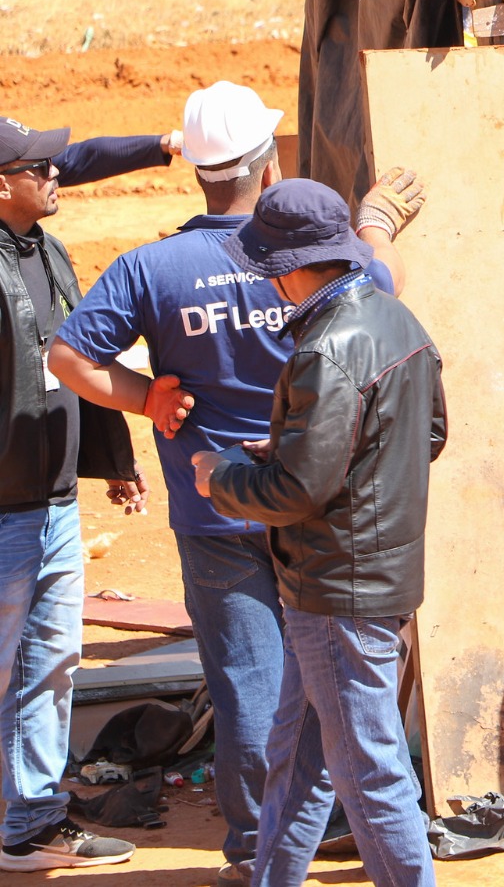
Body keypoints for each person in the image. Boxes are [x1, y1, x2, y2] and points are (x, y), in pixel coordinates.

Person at [47, 83, 426, 886]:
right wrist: (377, 224)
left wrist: (143, 394)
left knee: (253, 687)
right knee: (332, 692)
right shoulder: (316, 266)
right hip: (323, 517)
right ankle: (333, 836)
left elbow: (68, 358)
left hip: (215, 505)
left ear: (199, 172)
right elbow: (381, 290)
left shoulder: (152, 266)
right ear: (267, 162)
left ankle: (260, 846)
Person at [191, 179, 446, 887]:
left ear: (293, 265)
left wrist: (223, 478)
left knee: (367, 773)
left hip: (337, 591)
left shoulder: (324, 351)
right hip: (362, 582)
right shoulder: (399, 321)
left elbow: (297, 493)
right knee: (299, 761)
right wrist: (307, 449)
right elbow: (424, 434)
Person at [0, 114, 183, 872]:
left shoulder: (47, 251)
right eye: (41, 167)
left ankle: (32, 823)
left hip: (51, 501)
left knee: (50, 660)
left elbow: (77, 358)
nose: (56, 175)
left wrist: (111, 459)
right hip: (5, 509)